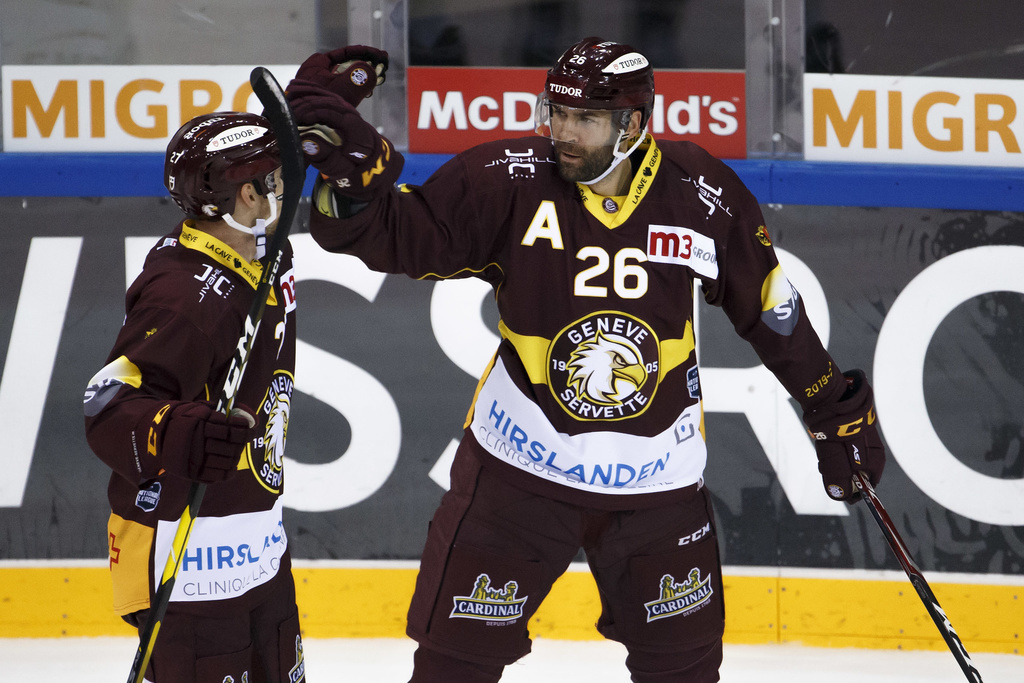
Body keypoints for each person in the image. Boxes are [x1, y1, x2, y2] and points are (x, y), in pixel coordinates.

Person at [287, 37, 886, 682]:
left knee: (683, 672)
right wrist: (352, 179)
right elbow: (398, 236)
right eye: (557, 113)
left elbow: (767, 308)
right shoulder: (508, 179)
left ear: (633, 125)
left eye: (585, 120)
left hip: (656, 485)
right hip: (519, 471)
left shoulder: (699, 193)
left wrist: (832, 405)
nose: (563, 133)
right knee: (452, 667)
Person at [83, 111, 303, 683]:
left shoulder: (261, 252)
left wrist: (320, 101)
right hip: (187, 563)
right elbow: (106, 404)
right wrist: (178, 431)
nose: (285, 188)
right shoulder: (185, 297)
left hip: (257, 548)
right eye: (274, 179)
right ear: (248, 195)